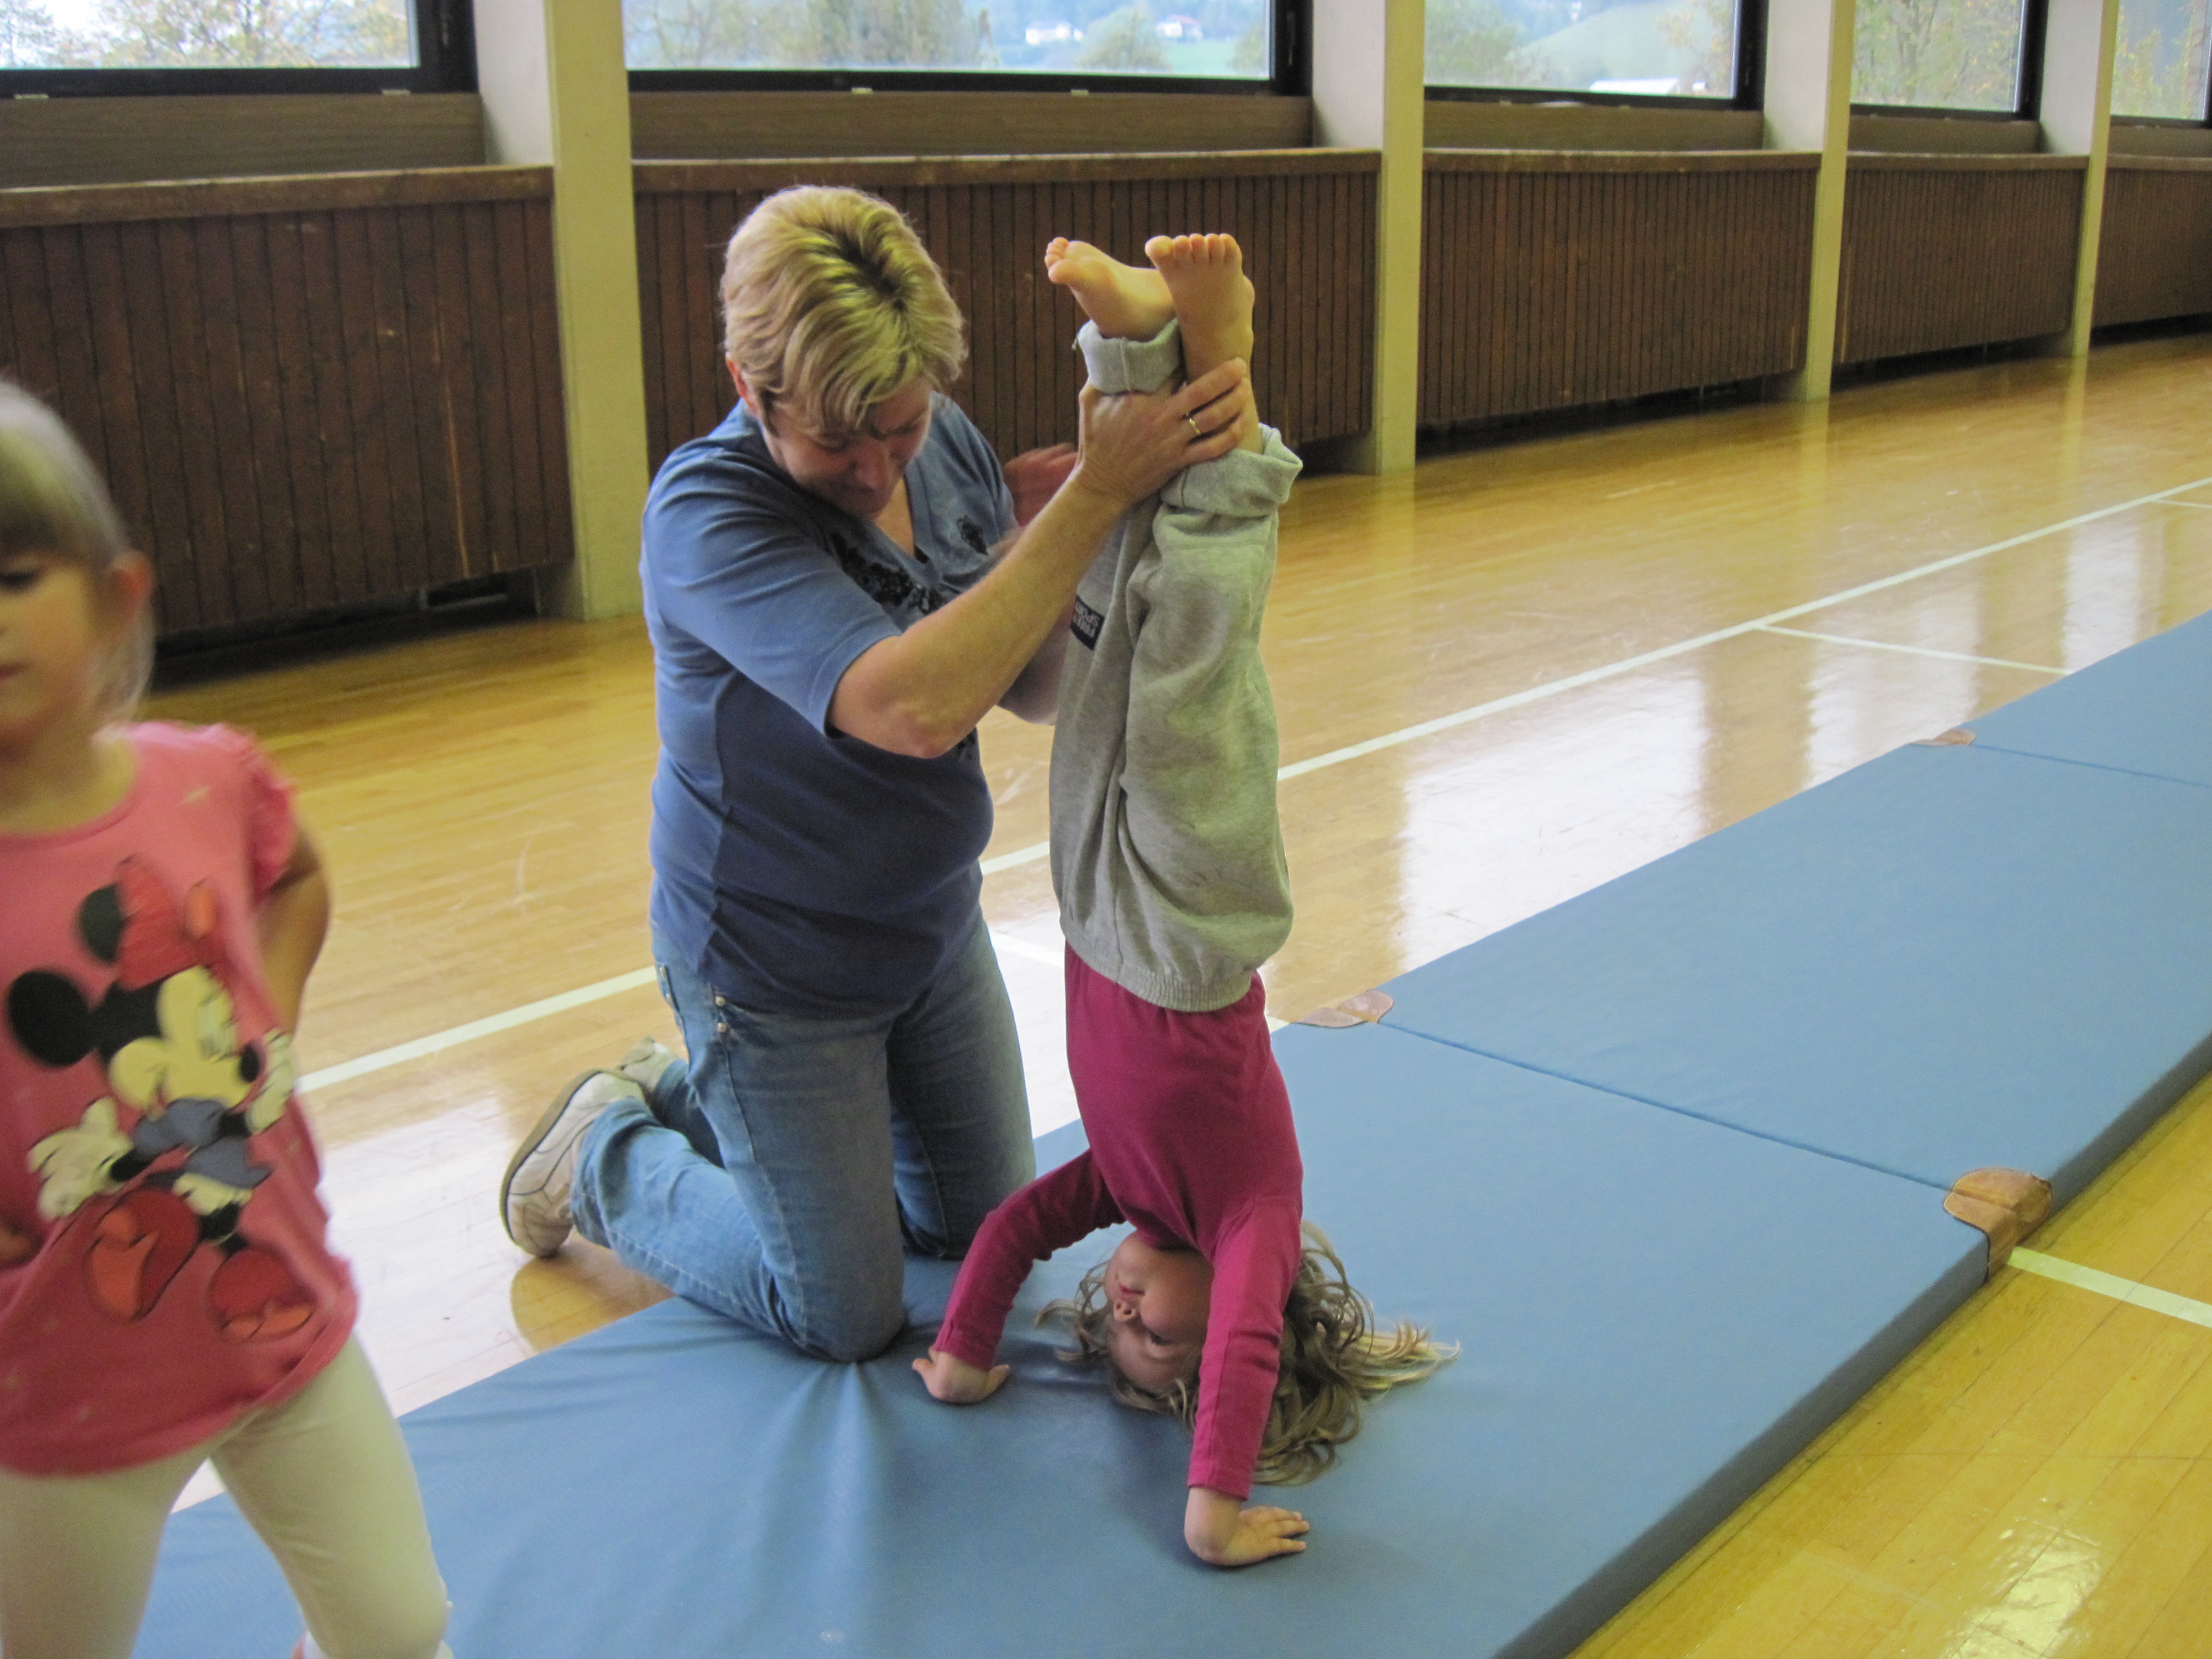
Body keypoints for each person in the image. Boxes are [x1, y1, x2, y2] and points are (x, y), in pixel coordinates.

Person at [499, 187, 1258, 1365]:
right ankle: (602, 1150)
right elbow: (913, 709)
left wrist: (1098, 538)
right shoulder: (706, 514)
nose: (872, 469)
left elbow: (1026, 687)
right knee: (842, 1316)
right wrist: (1095, 498)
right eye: (836, 441)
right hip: (775, 975)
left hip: (926, 934)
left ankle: (708, 1102)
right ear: (749, 387)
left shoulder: (939, 442)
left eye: (898, 430)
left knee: (978, 1237)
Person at [911, 236, 1450, 1566]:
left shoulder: (1124, 1186)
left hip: (1099, 918)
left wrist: (965, 1357)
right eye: (1162, 1340)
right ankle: (1225, 358)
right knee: (1190, 655)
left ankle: (1130, 355)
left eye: (1114, 1333)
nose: (1123, 1313)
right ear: (1223, 1334)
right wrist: (1209, 1512)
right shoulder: (1253, 1216)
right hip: (1199, 922)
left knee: (1104, 642)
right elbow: (1249, 1342)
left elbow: (1012, 1230)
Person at [0, 382, 452, 1659]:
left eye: (15, 577)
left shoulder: (203, 778)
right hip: (70, 1385)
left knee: (398, 1625)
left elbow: (295, 873)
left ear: (115, 597)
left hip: (278, 1315)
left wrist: (272, 1022)